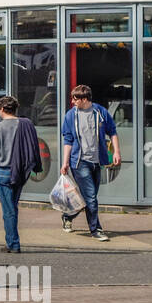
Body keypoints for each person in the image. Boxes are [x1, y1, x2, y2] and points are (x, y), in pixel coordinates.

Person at [0, 95, 42, 253]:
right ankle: (12, 241)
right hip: (20, 172)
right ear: (15, 109)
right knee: (13, 207)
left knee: (9, 210)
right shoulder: (26, 124)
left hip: (5, 173)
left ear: (1, 109)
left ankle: (13, 244)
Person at [60, 84, 120, 241]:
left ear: (84, 99)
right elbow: (68, 140)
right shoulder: (70, 116)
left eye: (75, 98)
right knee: (91, 197)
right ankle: (96, 230)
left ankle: (68, 216)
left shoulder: (100, 112)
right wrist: (65, 162)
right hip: (79, 162)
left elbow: (112, 132)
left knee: (87, 197)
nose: (72, 101)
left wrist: (116, 152)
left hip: (96, 161)